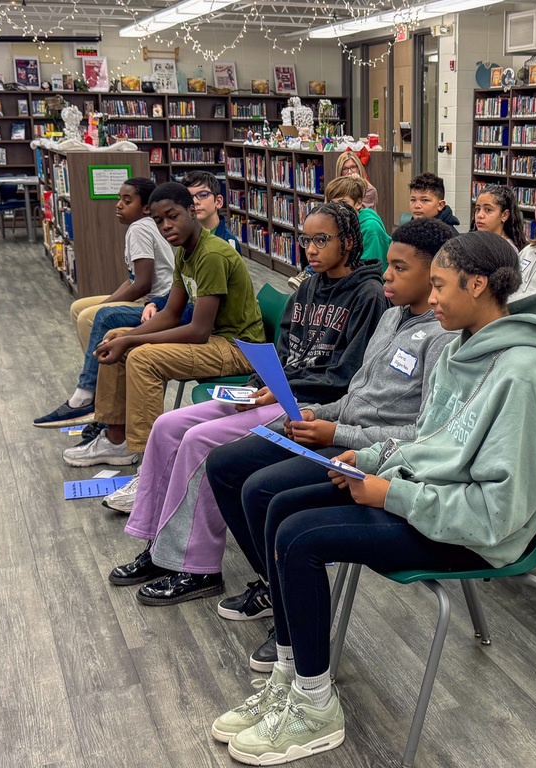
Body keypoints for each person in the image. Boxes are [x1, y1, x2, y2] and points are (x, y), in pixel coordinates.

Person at [207, 231, 536, 764]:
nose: (431, 300)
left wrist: (391, 493)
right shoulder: (463, 347)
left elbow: (500, 514)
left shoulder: (528, 375)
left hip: (477, 533)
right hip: (432, 497)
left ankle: (316, 709)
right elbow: (432, 441)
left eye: (440, 286)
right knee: (279, 505)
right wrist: (373, 461)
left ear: (477, 285)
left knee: (299, 536)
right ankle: (292, 676)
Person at [204, 217, 458, 671]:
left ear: (434, 274)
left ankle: (287, 610)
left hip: (372, 454)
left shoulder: (442, 338)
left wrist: (335, 433)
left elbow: (422, 436)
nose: (386, 275)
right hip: (338, 430)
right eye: (389, 267)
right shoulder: (390, 316)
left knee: (262, 491)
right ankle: (273, 583)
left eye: (400, 269)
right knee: (224, 464)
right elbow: (357, 393)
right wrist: (315, 414)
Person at [106, 202, 388, 606]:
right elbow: (284, 348)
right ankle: (158, 547)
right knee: (168, 426)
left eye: (321, 240)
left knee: (200, 441)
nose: (310, 248)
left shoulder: (368, 294)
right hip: (274, 390)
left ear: (347, 241)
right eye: (305, 239)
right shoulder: (308, 285)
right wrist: (259, 381)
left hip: (308, 404)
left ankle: (196, 566)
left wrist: (282, 387)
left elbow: (347, 375)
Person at [62, 182, 263, 467]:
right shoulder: (185, 251)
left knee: (143, 358)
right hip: (215, 341)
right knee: (114, 335)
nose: (166, 226)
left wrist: (132, 341)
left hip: (238, 347)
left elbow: (198, 331)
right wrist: (125, 337)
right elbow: (170, 313)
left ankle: (150, 463)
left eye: (173, 216)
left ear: (192, 212)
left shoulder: (212, 254)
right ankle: (116, 439)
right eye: (159, 221)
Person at [42, 178, 175, 428]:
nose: (118, 206)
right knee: (79, 308)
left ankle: (89, 392)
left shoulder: (139, 229)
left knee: (90, 316)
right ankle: (99, 378)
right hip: (148, 298)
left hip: (156, 304)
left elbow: (143, 284)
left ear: (146, 208)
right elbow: (132, 279)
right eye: (119, 200)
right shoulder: (141, 226)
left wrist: (106, 308)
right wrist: (108, 302)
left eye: (127, 201)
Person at [324, 174, 391, 272]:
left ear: (358, 203)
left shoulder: (371, 228)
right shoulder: (337, 223)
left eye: (343, 203)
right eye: (332, 203)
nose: (337, 208)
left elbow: (369, 270)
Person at [182, 170, 241, 253]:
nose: (195, 201)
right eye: (189, 197)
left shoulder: (227, 243)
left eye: (203, 195)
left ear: (218, 202)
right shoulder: (185, 237)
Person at [473, 184, 527, 251]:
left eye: (488, 210)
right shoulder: (476, 242)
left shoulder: (507, 250)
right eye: (478, 209)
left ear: (504, 215)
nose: (480, 215)